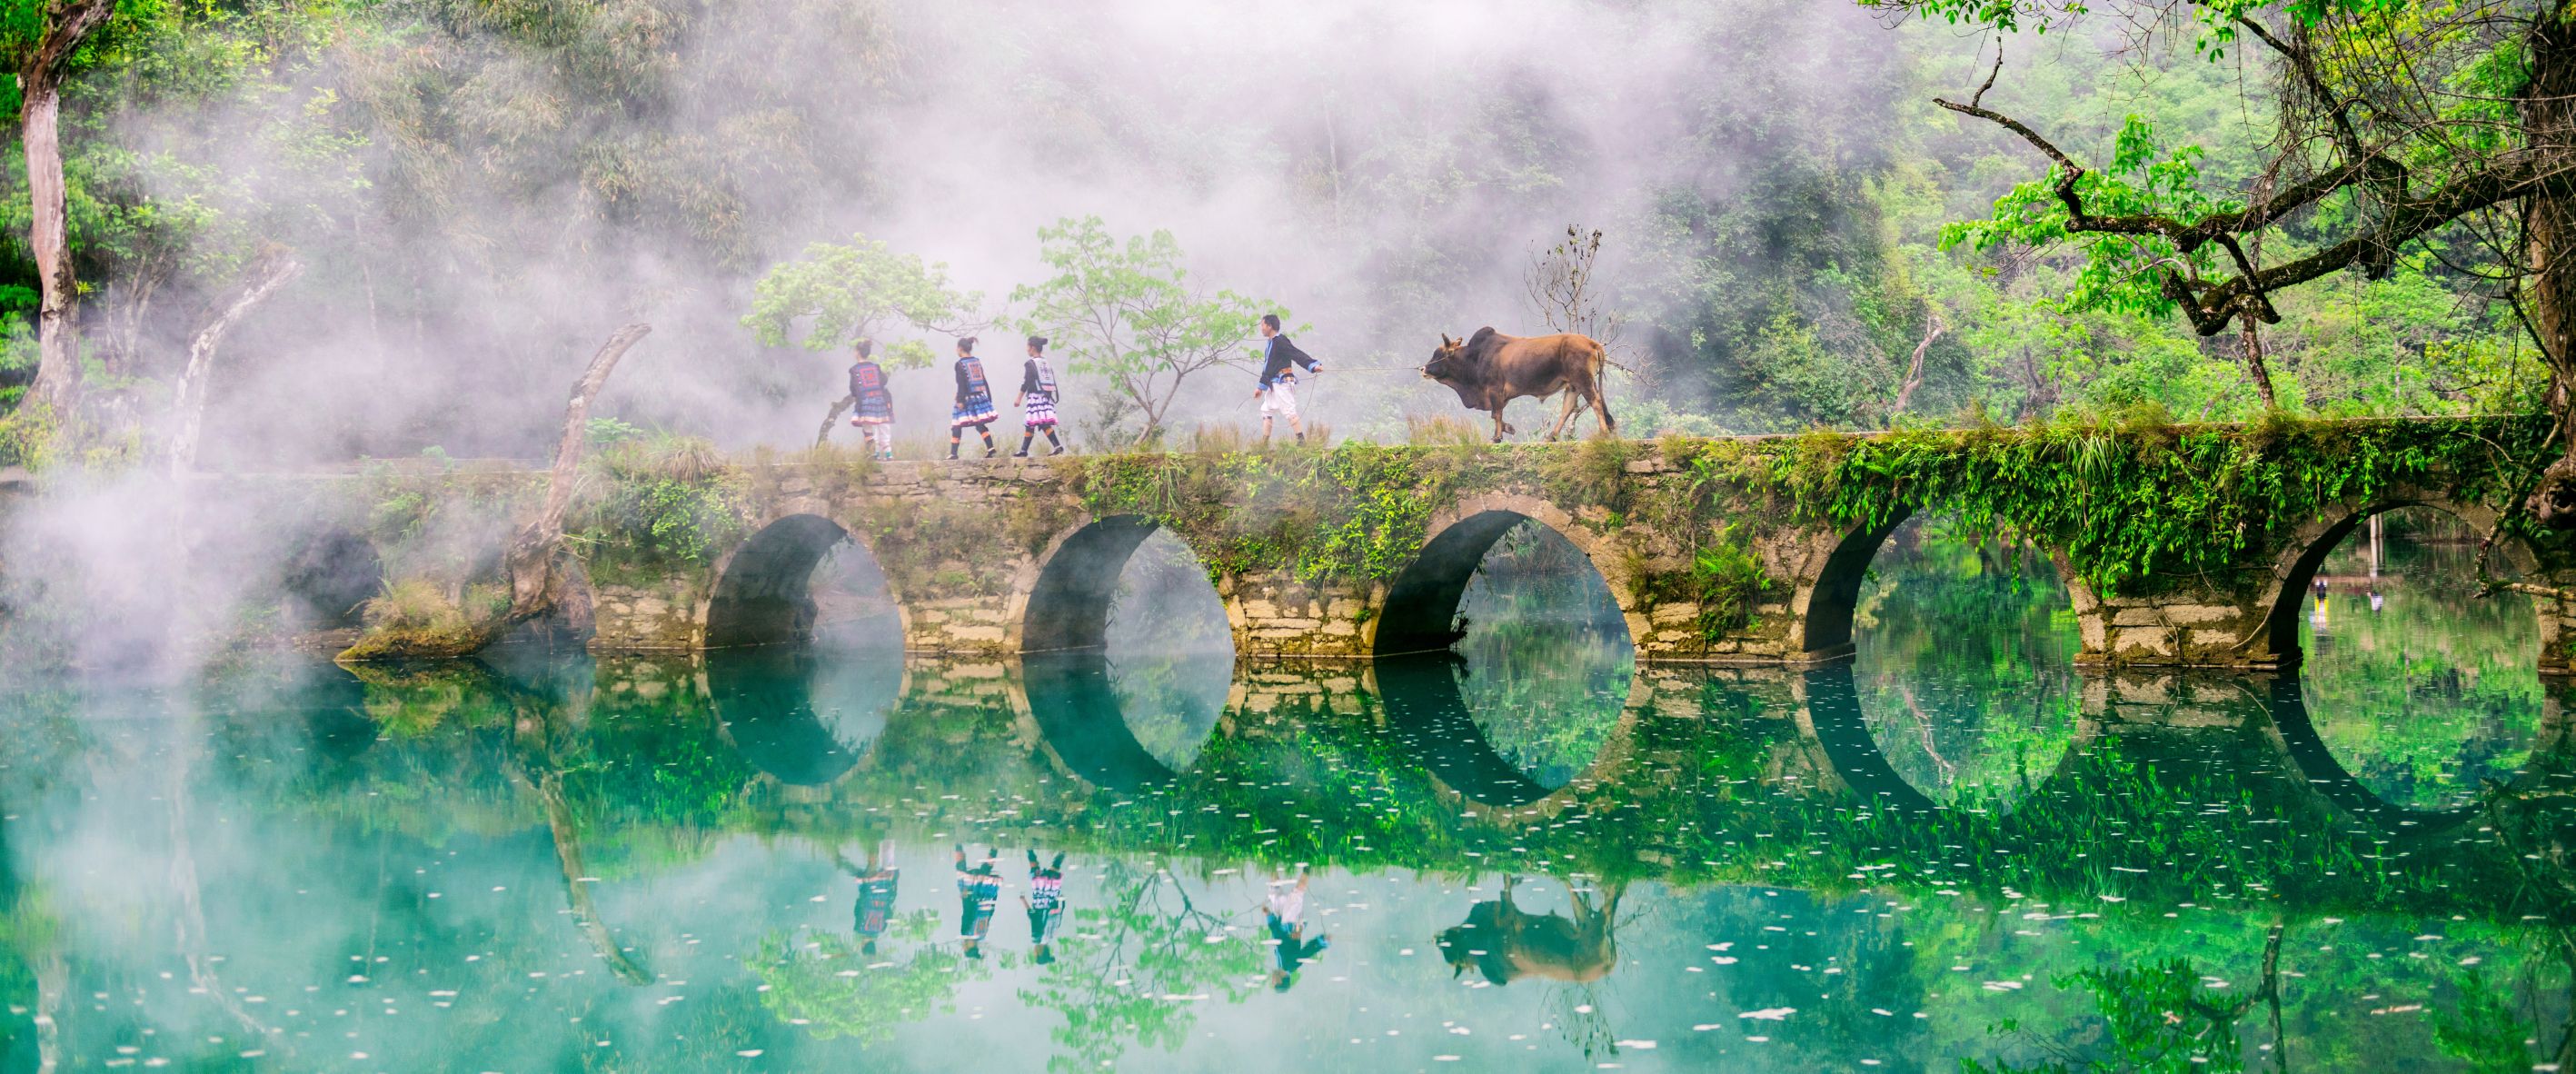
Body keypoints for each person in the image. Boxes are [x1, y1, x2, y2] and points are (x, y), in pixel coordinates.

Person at [1250, 313, 1319, 444]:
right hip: (1274, 383)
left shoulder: (1280, 341)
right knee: (1266, 410)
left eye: (1262, 325)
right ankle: (1263, 445)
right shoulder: (1272, 343)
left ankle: (1301, 442)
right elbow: (1268, 367)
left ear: (1270, 326)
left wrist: (1313, 366)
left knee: (1289, 411)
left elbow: (1296, 353)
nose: (1261, 328)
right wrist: (1261, 387)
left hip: (1282, 383)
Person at [1262, 869, 1328, 992]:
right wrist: (1321, 942)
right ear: (1281, 981)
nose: (1272, 980)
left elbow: (1278, 938)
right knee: (1296, 894)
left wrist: (1270, 918)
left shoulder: (1281, 965)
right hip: (1291, 924)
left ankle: (1271, 860)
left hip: (1282, 923)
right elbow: (1307, 952)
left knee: (1274, 893)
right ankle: (1309, 865)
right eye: (1274, 982)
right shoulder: (1291, 966)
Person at [837, 839, 900, 956]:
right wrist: (863, 883)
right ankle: (870, 841)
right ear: (863, 946)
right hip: (870, 883)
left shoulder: (882, 928)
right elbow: (859, 906)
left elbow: (888, 909)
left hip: (887, 884)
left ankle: (886, 840)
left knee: (887, 864)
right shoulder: (859, 928)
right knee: (860, 874)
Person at [1014, 336, 1068, 458]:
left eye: (1027, 347)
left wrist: (1018, 398)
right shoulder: (1045, 362)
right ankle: (1056, 446)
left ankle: (1024, 451)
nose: (1026, 349)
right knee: (1041, 424)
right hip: (1046, 396)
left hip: (1036, 397)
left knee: (1031, 423)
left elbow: (1026, 383)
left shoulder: (1030, 364)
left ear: (1032, 348)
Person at [949, 337, 999, 460]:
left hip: (967, 398)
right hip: (979, 396)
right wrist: (988, 397)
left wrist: (960, 400)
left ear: (960, 348)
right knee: (980, 423)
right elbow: (984, 380)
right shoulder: (977, 361)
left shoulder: (960, 364)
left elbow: (961, 384)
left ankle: (953, 453)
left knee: (956, 425)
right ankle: (990, 447)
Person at [846, 340, 896, 461]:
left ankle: (872, 452)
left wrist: (856, 396)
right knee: (883, 426)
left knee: (867, 427)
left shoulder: (854, 370)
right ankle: (888, 453)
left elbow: (853, 388)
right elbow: (883, 381)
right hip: (879, 399)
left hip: (865, 402)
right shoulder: (875, 367)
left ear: (857, 353)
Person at [954, 844, 1001, 959]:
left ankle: (995, 847)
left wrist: (994, 898)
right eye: (964, 949)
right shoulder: (966, 933)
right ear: (968, 948)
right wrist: (966, 895)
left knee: (985, 869)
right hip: (973, 897)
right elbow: (967, 913)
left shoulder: (982, 935)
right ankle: (958, 843)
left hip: (986, 898)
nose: (963, 947)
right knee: (961, 871)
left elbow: (989, 915)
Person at [1022, 848, 1068, 965]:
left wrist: (1061, 902)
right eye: (1035, 955)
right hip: (1041, 903)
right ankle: (1030, 850)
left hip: (1052, 900)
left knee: (1052, 877)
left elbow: (1058, 918)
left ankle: (1060, 855)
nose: (1034, 953)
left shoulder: (1050, 936)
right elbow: (1033, 917)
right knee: (1035, 874)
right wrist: (1023, 901)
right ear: (1039, 953)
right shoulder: (1036, 938)